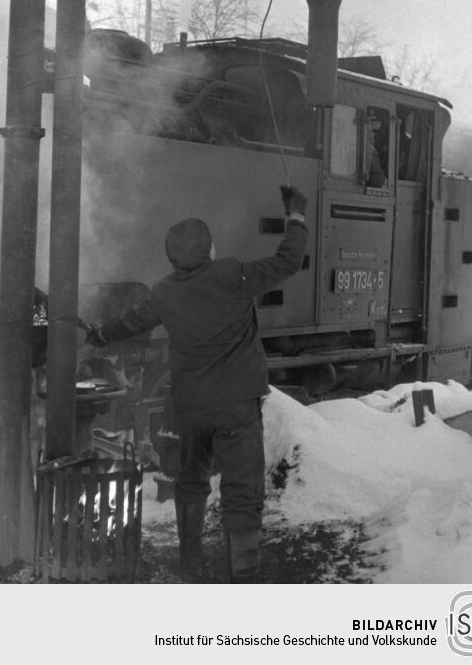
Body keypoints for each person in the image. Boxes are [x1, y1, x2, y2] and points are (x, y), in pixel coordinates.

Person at [86, 184, 308, 582]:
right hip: (236, 408)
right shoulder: (233, 274)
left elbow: (131, 322)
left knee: (191, 484)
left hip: (190, 408)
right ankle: (242, 578)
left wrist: (100, 335)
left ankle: (190, 568)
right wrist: (296, 216)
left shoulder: (164, 291)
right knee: (242, 493)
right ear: (209, 250)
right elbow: (288, 261)